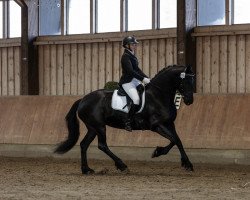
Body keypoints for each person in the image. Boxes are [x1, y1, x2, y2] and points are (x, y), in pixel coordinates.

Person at [119, 36, 150, 132]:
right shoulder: (125, 57)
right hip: (127, 82)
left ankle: (141, 117)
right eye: (133, 44)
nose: (135, 46)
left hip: (135, 81)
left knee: (146, 92)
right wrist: (142, 79)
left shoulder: (132, 55)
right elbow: (130, 71)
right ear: (127, 45)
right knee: (136, 99)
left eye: (135, 44)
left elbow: (137, 69)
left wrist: (146, 78)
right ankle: (128, 121)